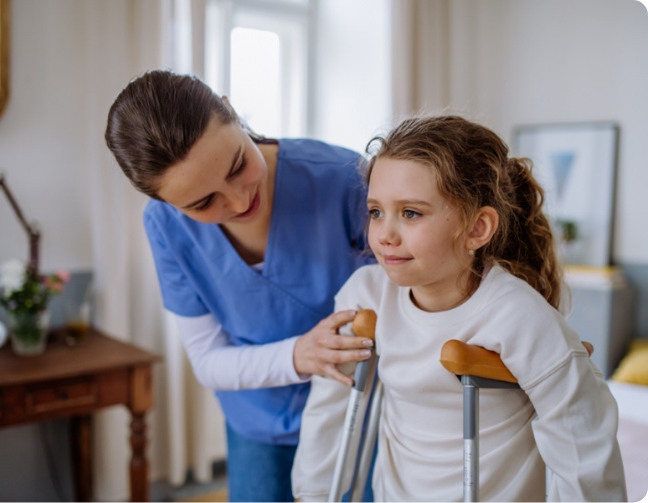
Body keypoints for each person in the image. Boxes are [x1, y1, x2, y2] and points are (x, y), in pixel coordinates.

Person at [291, 115, 627, 502]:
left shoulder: (517, 314)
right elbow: (330, 408)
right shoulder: (366, 295)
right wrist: (312, 495)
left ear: (476, 229)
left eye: (411, 213)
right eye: (376, 211)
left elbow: (582, 438)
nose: (384, 234)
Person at [104, 70, 377, 503]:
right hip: (257, 418)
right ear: (168, 204)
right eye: (202, 203)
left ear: (231, 111)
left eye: (236, 167)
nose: (237, 201)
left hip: (359, 409)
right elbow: (209, 360)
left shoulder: (345, 180)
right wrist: (298, 355)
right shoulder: (165, 227)